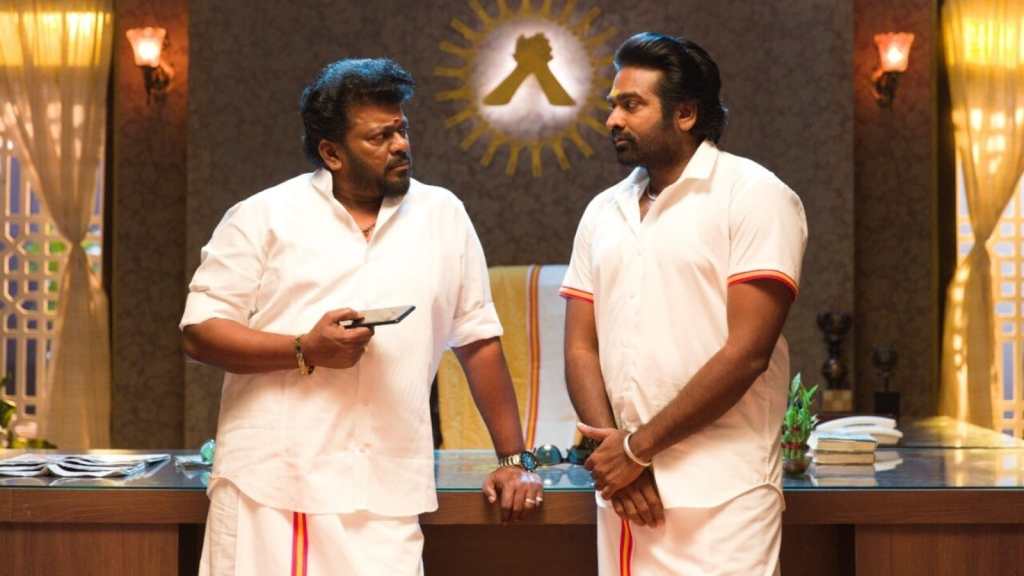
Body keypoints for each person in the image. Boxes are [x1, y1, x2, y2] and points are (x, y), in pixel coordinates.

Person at [181, 58, 542, 576]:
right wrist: (304, 349)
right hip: (272, 487)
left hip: (387, 493)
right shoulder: (263, 216)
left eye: (402, 130)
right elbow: (200, 333)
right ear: (332, 153)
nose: (400, 145)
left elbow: (478, 340)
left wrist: (513, 460)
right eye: (379, 137)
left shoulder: (443, 215)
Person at [561, 33, 808, 575]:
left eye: (632, 105)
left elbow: (747, 353)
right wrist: (615, 460)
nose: (613, 120)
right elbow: (580, 346)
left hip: (724, 496)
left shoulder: (754, 194)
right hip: (627, 495)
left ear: (686, 113)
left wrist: (636, 449)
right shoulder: (603, 211)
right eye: (613, 105)